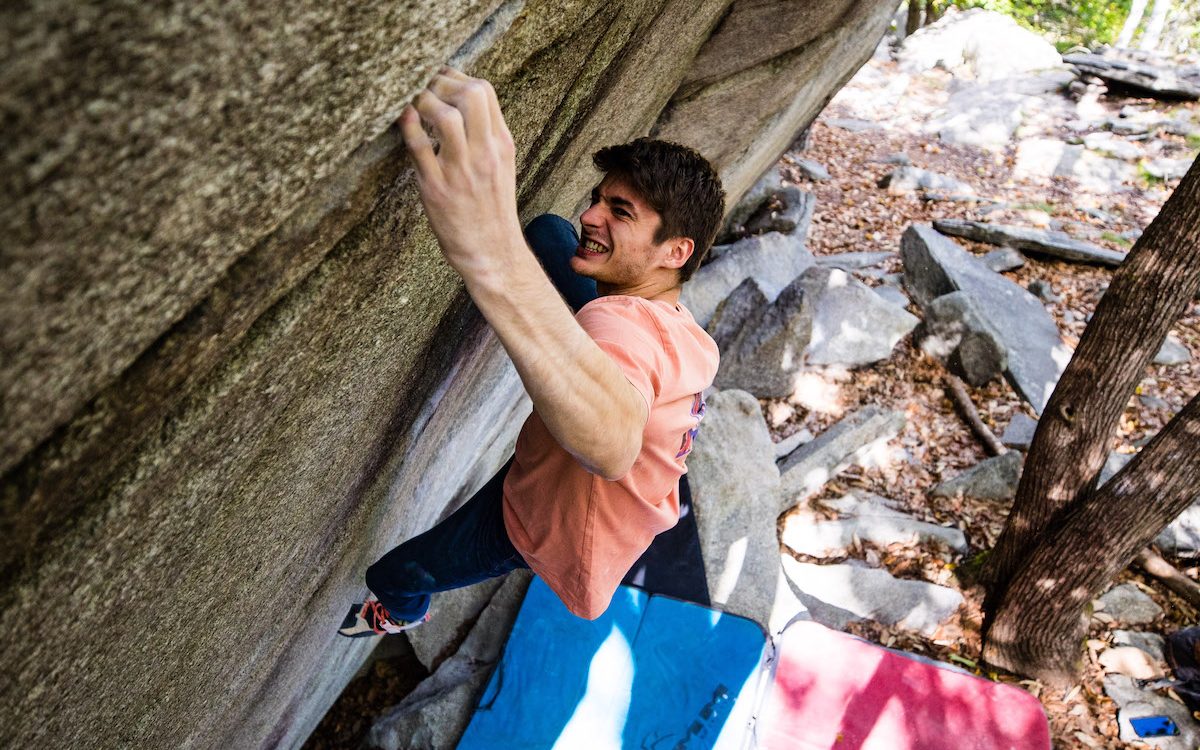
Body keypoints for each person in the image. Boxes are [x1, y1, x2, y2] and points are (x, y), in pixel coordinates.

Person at [338, 67, 724, 637]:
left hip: (546, 522)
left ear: (676, 251)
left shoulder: (620, 327)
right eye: (599, 200)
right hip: (553, 472)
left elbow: (612, 444)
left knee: (393, 572)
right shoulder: (686, 335)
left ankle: (399, 612)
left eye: (621, 212)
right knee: (549, 233)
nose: (591, 215)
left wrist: (491, 254)